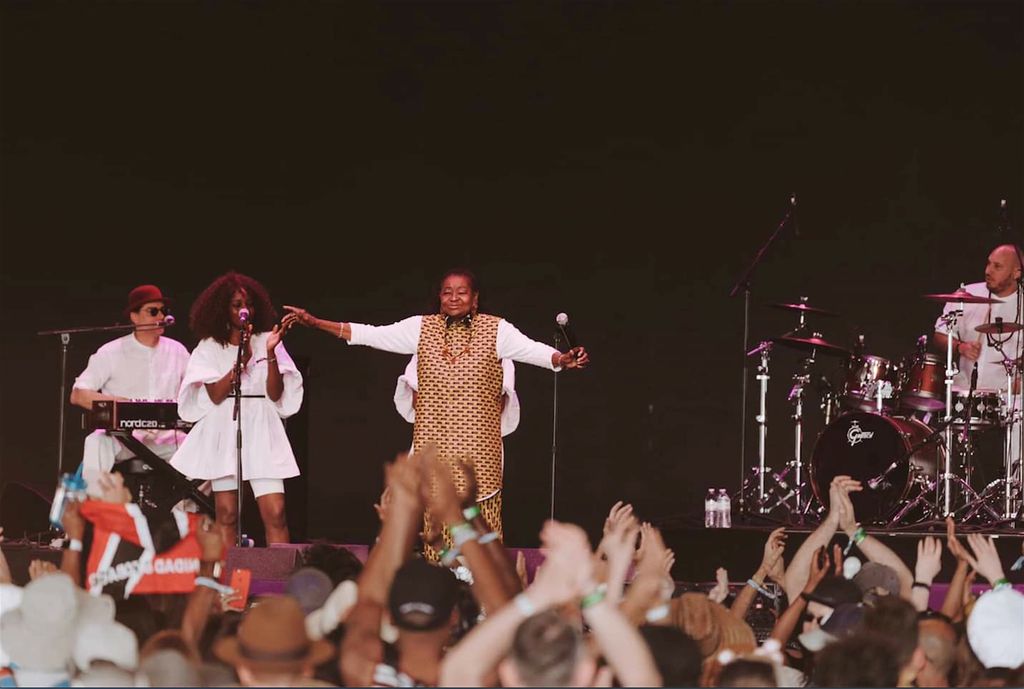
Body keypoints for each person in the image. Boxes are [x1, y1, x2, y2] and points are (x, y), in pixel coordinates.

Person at [283, 268, 588, 546]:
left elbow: (532, 350)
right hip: (435, 445)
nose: (454, 297)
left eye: (462, 292)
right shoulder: (422, 328)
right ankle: (443, 582)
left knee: (479, 525)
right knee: (439, 525)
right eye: (447, 292)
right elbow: (372, 334)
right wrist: (316, 323)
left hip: (479, 448)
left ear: (475, 298)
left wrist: (561, 359)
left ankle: (482, 584)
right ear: (439, 298)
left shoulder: (496, 330)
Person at [170, 271, 302, 545]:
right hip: (225, 425)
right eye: (237, 305)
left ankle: (280, 572)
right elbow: (216, 394)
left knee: (275, 512)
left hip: (262, 424)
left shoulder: (267, 339)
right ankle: (227, 572)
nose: (245, 310)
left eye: (249, 304)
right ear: (222, 309)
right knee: (227, 514)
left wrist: (270, 354)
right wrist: (241, 362)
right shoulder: (209, 347)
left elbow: (276, 394)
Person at [71, 284, 190, 496]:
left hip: (164, 437)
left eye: (163, 311)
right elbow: (78, 394)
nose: (161, 316)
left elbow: (196, 393)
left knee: (206, 452)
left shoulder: (177, 351)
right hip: (123, 436)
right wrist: (123, 406)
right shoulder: (111, 351)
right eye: (153, 311)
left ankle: (185, 511)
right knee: (96, 442)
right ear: (134, 317)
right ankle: (96, 510)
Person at [933, 243, 1023, 391]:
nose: (988, 271)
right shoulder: (966, 295)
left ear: (1016, 273)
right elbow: (939, 336)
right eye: (988, 264)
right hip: (964, 391)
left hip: (1009, 396)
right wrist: (960, 347)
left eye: (997, 266)